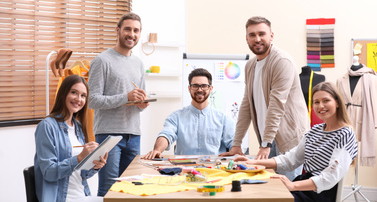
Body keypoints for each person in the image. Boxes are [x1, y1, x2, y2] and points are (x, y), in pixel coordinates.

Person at [234, 82, 358, 202]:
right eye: (316, 102)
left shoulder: (345, 134)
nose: (320, 106)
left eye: (326, 100)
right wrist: (253, 162)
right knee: (258, 192)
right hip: (305, 186)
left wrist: (292, 186)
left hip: (321, 192)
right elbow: (290, 159)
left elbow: (330, 177)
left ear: (337, 102)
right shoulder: (314, 131)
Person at [220, 16, 310, 181]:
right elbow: (246, 105)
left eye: (262, 33)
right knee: (270, 190)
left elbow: (277, 105)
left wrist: (265, 145)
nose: (257, 39)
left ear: (271, 35)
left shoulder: (281, 61)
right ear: (247, 38)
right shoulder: (250, 65)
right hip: (267, 138)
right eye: (252, 35)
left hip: (287, 139)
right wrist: (236, 144)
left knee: (287, 191)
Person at [88, 12, 149, 196]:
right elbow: (93, 100)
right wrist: (126, 97)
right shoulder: (102, 61)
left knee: (130, 190)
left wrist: (142, 103)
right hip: (108, 135)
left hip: (134, 135)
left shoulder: (139, 63)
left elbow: (138, 97)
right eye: (128, 29)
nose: (132, 34)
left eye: (136, 30)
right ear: (118, 31)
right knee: (109, 190)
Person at [34, 74, 108, 202]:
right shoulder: (46, 126)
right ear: (63, 94)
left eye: (83, 95)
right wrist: (79, 158)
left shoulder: (78, 126)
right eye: (74, 92)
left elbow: (80, 173)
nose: (79, 99)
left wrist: (95, 166)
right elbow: (48, 172)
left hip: (82, 195)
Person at [141, 68, 235, 159]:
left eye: (204, 86)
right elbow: (166, 134)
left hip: (214, 169)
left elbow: (233, 143)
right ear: (189, 88)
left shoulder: (223, 119)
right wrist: (157, 150)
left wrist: (236, 152)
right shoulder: (176, 117)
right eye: (195, 86)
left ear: (210, 89)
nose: (199, 89)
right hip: (184, 168)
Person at [336, 55, 377, 166]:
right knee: (341, 149)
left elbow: (375, 99)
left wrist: (376, 122)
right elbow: (337, 101)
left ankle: (356, 180)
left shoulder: (371, 78)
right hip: (344, 118)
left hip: (362, 117)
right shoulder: (341, 79)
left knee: (357, 143)